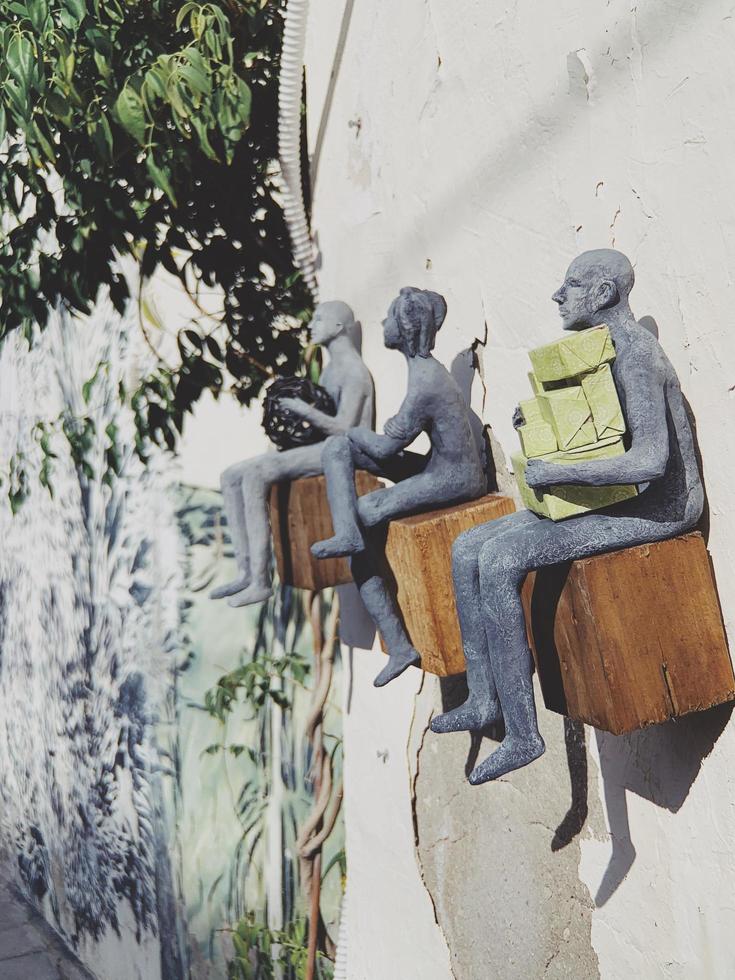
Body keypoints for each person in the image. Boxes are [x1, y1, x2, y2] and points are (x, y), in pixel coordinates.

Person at [431, 249, 704, 784]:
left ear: (603, 294)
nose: (559, 295)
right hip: (622, 498)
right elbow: (601, 431)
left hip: (660, 508)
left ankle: (524, 735)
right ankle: (485, 697)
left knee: (505, 557)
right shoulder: (598, 350)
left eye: (572, 284)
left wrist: (556, 472)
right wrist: (542, 425)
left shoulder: (635, 355)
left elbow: (650, 461)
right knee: (468, 548)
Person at [312, 286, 487, 685]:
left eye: (389, 318)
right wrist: (351, 437)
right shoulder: (421, 372)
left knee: (366, 510)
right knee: (337, 448)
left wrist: (356, 433)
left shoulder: (425, 381)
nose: (383, 324)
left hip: (455, 478)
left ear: (405, 328)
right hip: (436, 466)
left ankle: (398, 640)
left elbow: (388, 445)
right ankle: (347, 534)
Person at [210, 301, 374, 607]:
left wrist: (301, 409)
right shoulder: (330, 370)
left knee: (258, 473)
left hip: (344, 452)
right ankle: (245, 571)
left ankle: (261, 581)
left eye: (319, 319)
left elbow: (342, 429)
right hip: (325, 447)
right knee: (231, 475)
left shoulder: (354, 372)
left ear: (339, 327)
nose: (311, 324)